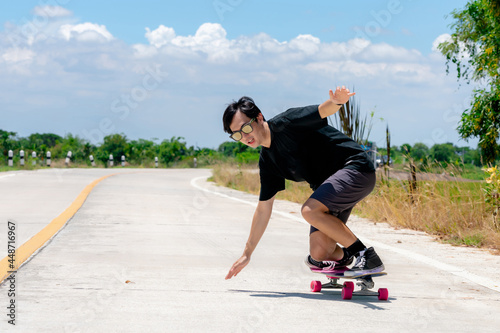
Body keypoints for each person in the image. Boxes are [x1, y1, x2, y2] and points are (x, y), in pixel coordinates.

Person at [223, 87, 384, 280]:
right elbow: (264, 209)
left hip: (356, 168)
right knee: (319, 254)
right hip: (331, 189)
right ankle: (346, 258)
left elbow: (323, 110)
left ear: (259, 117)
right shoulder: (268, 161)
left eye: (246, 128)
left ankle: (366, 256)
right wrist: (247, 254)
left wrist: (337, 102)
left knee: (310, 210)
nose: (245, 136)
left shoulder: (287, 123)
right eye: (237, 135)